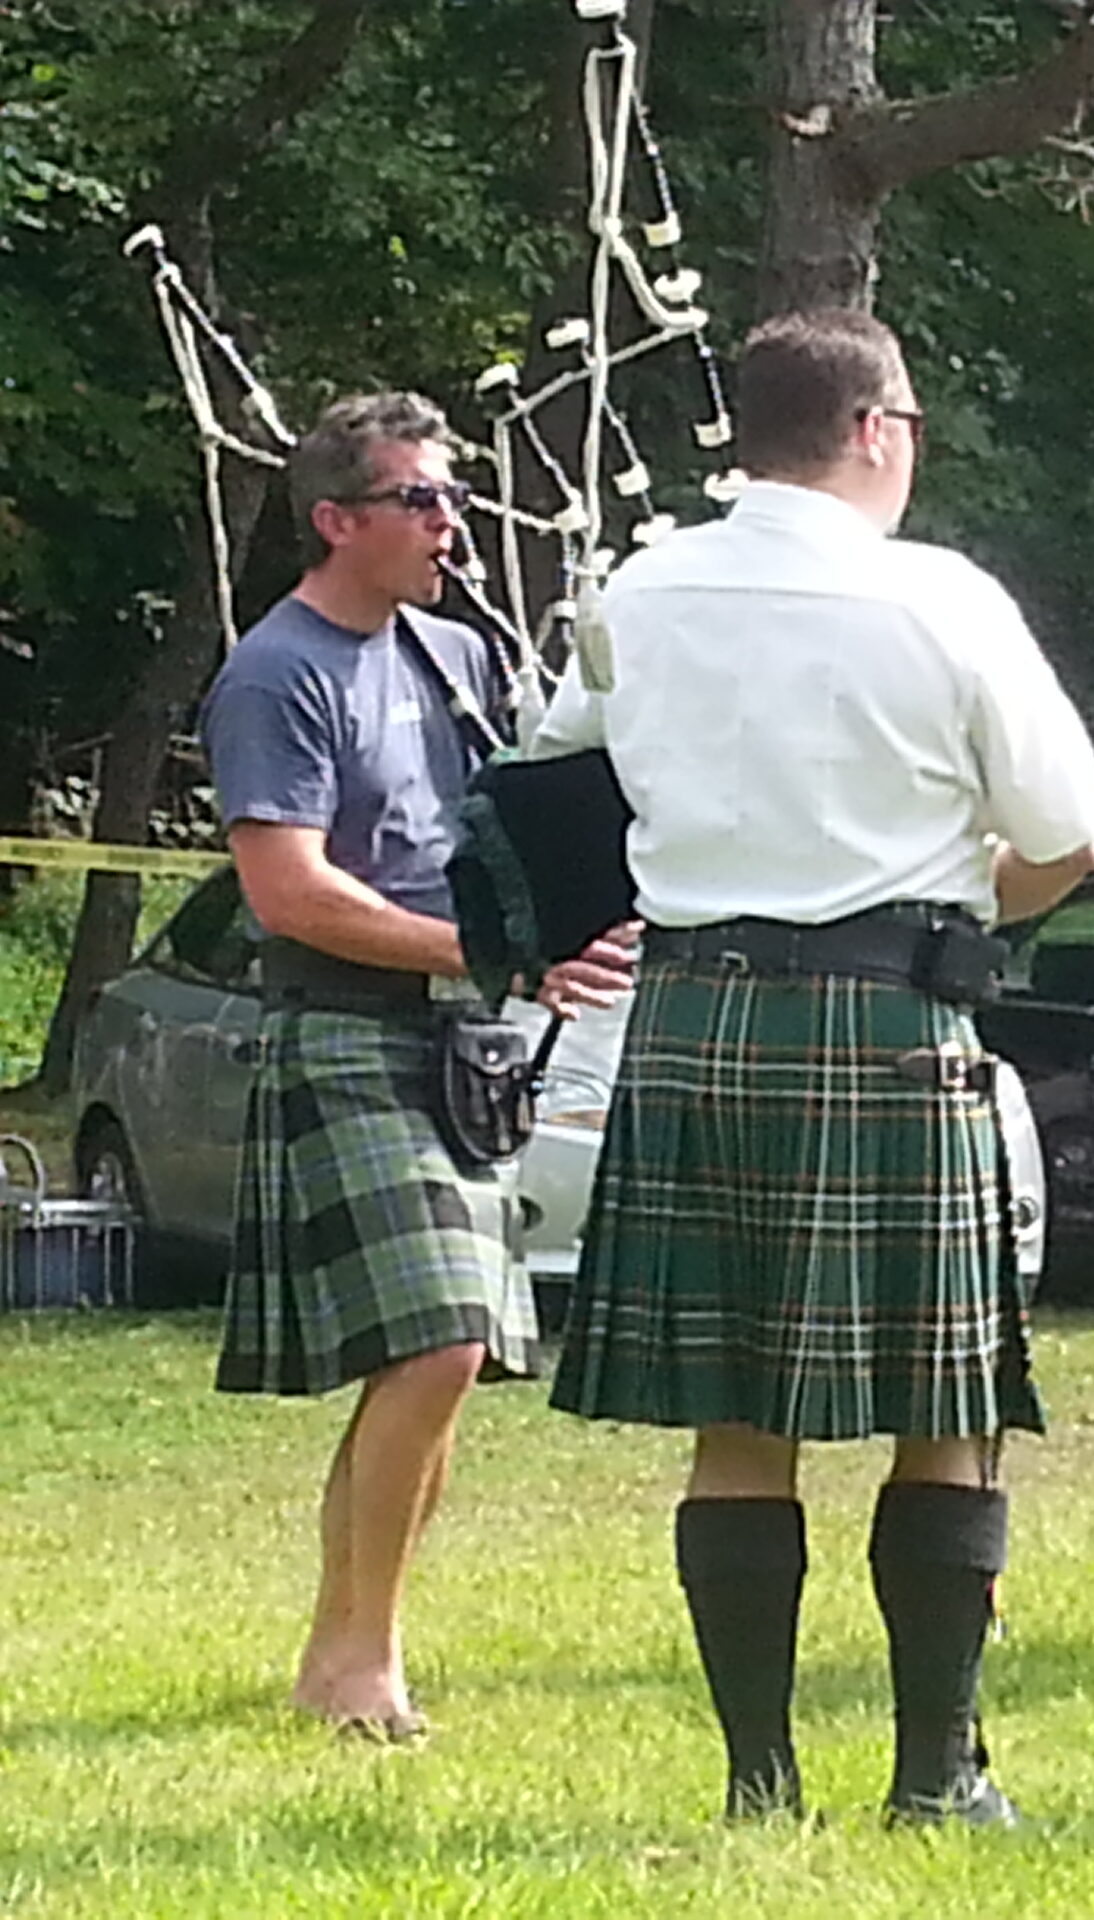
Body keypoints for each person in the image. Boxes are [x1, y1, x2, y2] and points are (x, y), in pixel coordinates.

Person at [534, 308, 1094, 1827]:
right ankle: (936, 1779)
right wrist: (968, 909)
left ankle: (759, 1784)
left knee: (738, 1413)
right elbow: (1069, 837)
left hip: (696, 1026)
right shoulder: (940, 598)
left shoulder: (639, 591)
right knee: (947, 1405)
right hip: (891, 1025)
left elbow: (548, 792)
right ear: (873, 431)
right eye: (908, 425)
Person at [201, 391, 631, 1742]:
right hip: (344, 1027)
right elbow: (288, 892)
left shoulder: (456, 654)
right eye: (419, 499)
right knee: (440, 1341)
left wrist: (571, 921)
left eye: (452, 497)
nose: (451, 523)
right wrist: (484, 956)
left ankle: (342, 1655)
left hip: (461, 1045)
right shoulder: (276, 673)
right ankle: (362, 1658)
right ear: (336, 521)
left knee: (447, 1355)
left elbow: (503, 836)